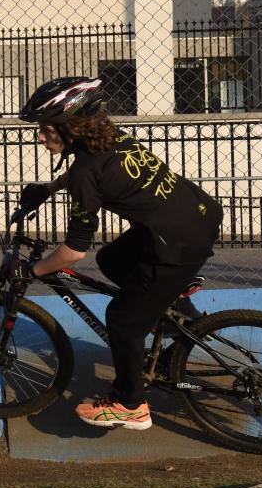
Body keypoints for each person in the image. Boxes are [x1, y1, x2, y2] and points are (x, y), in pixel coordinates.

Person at [16, 77, 222, 431]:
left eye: (45, 128)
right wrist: (51, 188)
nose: (39, 136)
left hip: (176, 244)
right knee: (112, 259)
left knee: (123, 322)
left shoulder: (84, 170)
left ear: (70, 127)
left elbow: (73, 252)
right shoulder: (112, 139)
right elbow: (93, 171)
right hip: (196, 216)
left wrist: (32, 271)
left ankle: (130, 404)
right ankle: (175, 308)